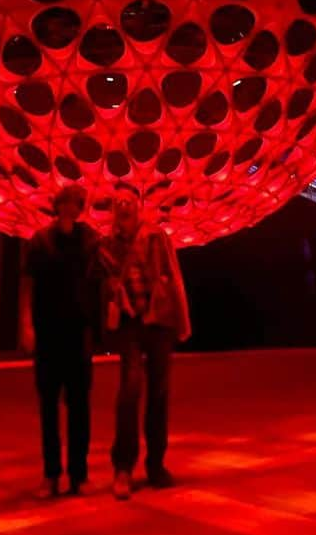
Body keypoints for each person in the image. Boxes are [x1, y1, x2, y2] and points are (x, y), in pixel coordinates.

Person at [100, 188, 191, 500]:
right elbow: (104, 281)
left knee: (159, 393)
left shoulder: (157, 236)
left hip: (159, 321)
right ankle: (123, 466)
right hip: (130, 323)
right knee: (130, 389)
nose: (123, 206)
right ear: (114, 211)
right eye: (118, 203)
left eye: (128, 201)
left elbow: (174, 276)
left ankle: (155, 465)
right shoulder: (108, 245)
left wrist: (183, 321)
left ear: (138, 207)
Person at [19, 185, 101, 497]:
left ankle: (79, 475)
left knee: (80, 406)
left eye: (76, 204)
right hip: (49, 333)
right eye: (66, 203)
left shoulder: (89, 239)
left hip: (79, 334)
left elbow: (105, 272)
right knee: (49, 407)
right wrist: (27, 325)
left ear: (80, 208)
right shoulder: (41, 240)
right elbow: (27, 284)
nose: (71, 208)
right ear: (58, 206)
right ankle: (51, 474)